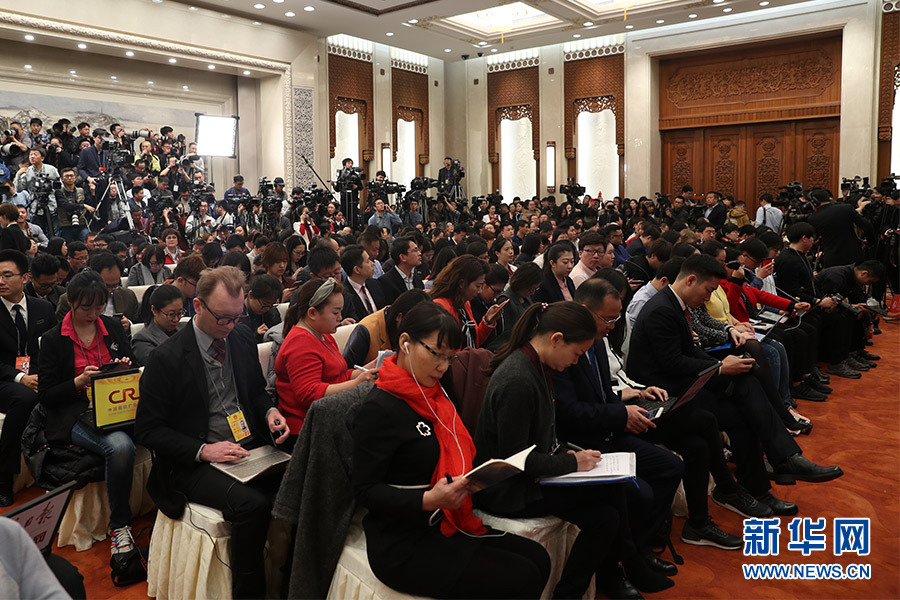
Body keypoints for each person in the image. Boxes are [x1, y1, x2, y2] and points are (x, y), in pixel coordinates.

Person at [352, 301, 550, 598]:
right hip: (404, 537)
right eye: (436, 354)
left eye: (450, 358)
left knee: (538, 559)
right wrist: (427, 500)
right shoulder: (379, 408)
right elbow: (365, 490)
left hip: (446, 517)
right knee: (520, 576)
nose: (444, 367)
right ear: (405, 342)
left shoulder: (437, 393)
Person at [475, 302, 672, 598]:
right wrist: (571, 463)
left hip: (531, 477)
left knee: (606, 515)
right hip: (508, 490)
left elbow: (541, 441)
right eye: (577, 354)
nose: (576, 362)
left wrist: (570, 457)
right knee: (611, 496)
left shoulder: (537, 366)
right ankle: (629, 564)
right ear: (556, 339)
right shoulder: (518, 379)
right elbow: (515, 461)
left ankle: (576, 590)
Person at [135, 266, 290, 599]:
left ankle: (290, 580)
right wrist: (204, 451)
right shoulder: (167, 358)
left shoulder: (240, 337)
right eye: (223, 318)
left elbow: (256, 392)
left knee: (302, 475)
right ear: (198, 306)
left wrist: (270, 411)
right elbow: (148, 430)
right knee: (252, 505)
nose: (230, 326)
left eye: (236, 317)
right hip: (194, 461)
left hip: (247, 446)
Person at [627, 254, 843, 487]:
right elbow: (673, 363)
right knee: (742, 409)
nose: (708, 297)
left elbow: (690, 352)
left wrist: (723, 364)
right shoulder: (662, 309)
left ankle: (780, 463)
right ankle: (775, 466)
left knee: (746, 377)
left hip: (681, 379)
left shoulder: (675, 303)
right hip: (665, 393)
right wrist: (719, 367)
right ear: (690, 280)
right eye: (708, 291)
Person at [37, 270, 137, 562]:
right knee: (120, 446)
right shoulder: (54, 339)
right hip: (75, 411)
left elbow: (134, 364)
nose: (93, 314)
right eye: (86, 308)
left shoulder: (111, 327)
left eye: (99, 307)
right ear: (70, 302)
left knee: (159, 426)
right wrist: (78, 382)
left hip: (116, 404)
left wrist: (124, 367)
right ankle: (120, 525)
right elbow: (46, 395)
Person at [275, 278, 378, 442]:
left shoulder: (323, 335)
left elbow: (338, 376)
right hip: (307, 431)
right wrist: (357, 382)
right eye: (335, 313)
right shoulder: (300, 343)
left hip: (329, 418)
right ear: (312, 313)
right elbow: (310, 394)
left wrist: (370, 367)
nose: (340, 318)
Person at [0, 250, 55, 506]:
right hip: (5, 379)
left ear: (25, 278)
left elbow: (52, 348)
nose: (1, 281)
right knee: (24, 398)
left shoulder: (43, 307)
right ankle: (4, 477)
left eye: (7, 275)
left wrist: (41, 375)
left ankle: (60, 465)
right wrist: (21, 377)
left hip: (37, 376)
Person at [429, 255, 505, 348]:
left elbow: (474, 341)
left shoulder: (465, 304)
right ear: (462, 283)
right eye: (477, 286)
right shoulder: (441, 306)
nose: (479, 291)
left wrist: (487, 321)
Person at [56, 253, 140, 327]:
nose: (110, 291)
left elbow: (137, 323)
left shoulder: (127, 296)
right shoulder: (72, 299)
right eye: (106, 286)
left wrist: (128, 325)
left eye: (114, 286)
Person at [132, 284, 184, 366]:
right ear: (154, 310)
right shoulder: (143, 339)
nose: (176, 319)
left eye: (180, 313)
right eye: (171, 314)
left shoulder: (185, 328)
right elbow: (158, 367)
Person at [340, 244, 386, 323]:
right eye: (368, 261)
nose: (372, 263)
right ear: (357, 269)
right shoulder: (343, 295)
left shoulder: (375, 284)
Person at [237, 274, 283, 343]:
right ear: (251, 295)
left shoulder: (272, 312)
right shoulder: (237, 315)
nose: (267, 309)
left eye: (271, 305)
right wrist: (256, 335)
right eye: (264, 305)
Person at [379, 236, 424, 305]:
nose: (420, 253)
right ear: (403, 257)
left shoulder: (417, 280)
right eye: (415, 250)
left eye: (418, 249)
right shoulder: (386, 282)